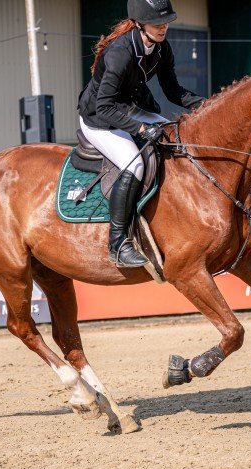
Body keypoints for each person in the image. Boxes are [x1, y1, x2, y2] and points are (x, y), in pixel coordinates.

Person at [78, 0, 205, 268]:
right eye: (157, 24)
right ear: (139, 24)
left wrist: (209, 105)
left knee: (174, 138)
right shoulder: (120, 53)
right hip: (100, 118)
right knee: (134, 164)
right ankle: (118, 244)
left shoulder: (161, 48)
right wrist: (142, 129)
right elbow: (104, 106)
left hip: (131, 107)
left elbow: (173, 92)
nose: (163, 28)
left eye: (166, 23)